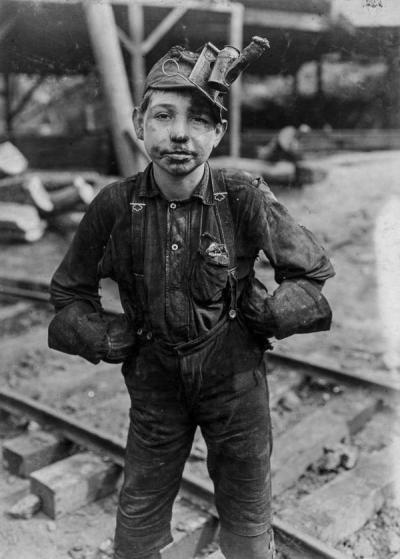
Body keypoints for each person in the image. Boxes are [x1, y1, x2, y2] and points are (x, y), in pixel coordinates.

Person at [48, 39, 335, 559]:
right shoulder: (114, 205)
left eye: (199, 120)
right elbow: (68, 294)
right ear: (139, 123)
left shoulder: (243, 195)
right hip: (155, 385)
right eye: (163, 115)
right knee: (137, 522)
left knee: (247, 520)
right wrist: (103, 335)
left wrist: (273, 312)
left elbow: (311, 274)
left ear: (218, 131)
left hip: (235, 383)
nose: (180, 133)